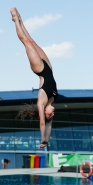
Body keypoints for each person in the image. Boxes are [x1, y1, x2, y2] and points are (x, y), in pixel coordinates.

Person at [10, 8, 57, 149]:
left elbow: (44, 123)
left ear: (44, 113)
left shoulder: (41, 102)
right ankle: (20, 20)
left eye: (51, 114)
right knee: (32, 40)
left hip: (40, 68)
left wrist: (43, 139)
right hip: (49, 67)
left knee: (26, 42)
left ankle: (15, 20)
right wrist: (48, 140)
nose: (53, 113)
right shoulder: (53, 100)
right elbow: (49, 125)